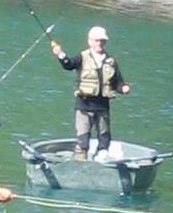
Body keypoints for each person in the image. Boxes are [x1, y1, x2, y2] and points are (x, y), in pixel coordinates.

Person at [50, 25, 130, 160]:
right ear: (90, 41)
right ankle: (80, 163)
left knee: (104, 137)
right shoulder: (82, 57)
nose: (100, 43)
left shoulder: (111, 61)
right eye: (97, 40)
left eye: (102, 41)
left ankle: (101, 159)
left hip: (102, 106)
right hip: (83, 105)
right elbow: (68, 65)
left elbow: (117, 82)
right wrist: (60, 54)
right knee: (83, 139)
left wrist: (123, 88)